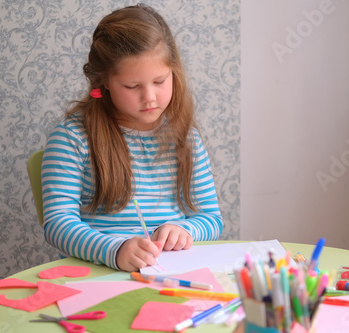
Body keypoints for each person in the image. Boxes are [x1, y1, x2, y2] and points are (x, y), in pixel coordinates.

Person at [41, 4, 223, 272]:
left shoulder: (187, 140)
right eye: (132, 86)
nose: (149, 96)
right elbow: (58, 224)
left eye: (160, 81)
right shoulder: (73, 138)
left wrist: (183, 229)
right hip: (98, 273)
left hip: (168, 275)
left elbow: (211, 219)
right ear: (104, 83)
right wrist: (113, 251)